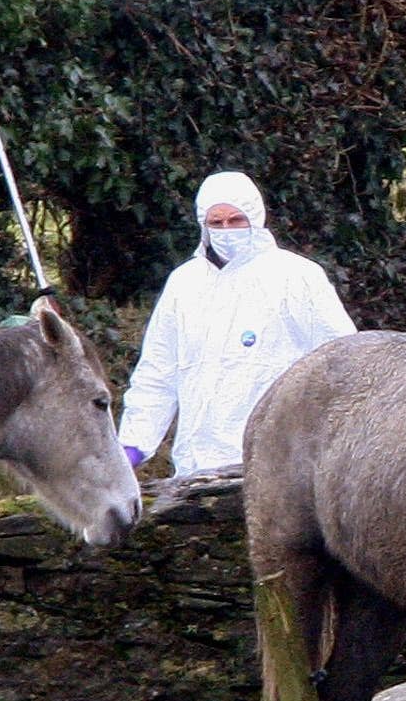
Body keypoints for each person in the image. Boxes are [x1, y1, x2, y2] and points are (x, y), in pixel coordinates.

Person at [118, 171, 356, 475]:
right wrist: (133, 445)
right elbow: (158, 374)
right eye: (216, 223)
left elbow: (343, 361)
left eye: (236, 220)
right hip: (196, 468)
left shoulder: (296, 278)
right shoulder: (185, 284)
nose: (226, 230)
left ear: (255, 219)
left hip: (276, 470)